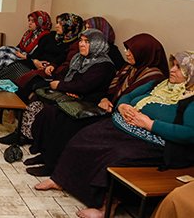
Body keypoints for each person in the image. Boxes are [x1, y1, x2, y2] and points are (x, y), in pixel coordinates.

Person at [34, 51, 194, 218]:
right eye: (173, 65)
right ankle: (61, 179)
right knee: (86, 136)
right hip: (126, 127)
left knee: (117, 156)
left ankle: (106, 207)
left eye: (179, 68)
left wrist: (151, 124)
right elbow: (128, 96)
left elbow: (190, 133)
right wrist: (123, 106)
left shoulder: (191, 99)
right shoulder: (159, 83)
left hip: (156, 142)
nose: (172, 70)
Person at [25, 33, 168, 176]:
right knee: (51, 113)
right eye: (126, 49)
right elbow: (110, 90)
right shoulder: (131, 68)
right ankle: (45, 155)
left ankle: (52, 164)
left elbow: (132, 101)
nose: (127, 53)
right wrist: (106, 99)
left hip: (119, 116)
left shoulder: (153, 77)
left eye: (131, 50)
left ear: (144, 53)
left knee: (65, 121)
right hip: (105, 105)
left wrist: (108, 102)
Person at [0, 13, 84, 145]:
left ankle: (16, 115)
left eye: (61, 24)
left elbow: (63, 64)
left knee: (27, 81)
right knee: (13, 67)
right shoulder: (52, 36)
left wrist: (49, 66)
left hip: (50, 72)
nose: (57, 26)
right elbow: (37, 54)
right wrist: (36, 61)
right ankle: (6, 103)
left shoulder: (73, 45)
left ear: (70, 27)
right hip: (37, 63)